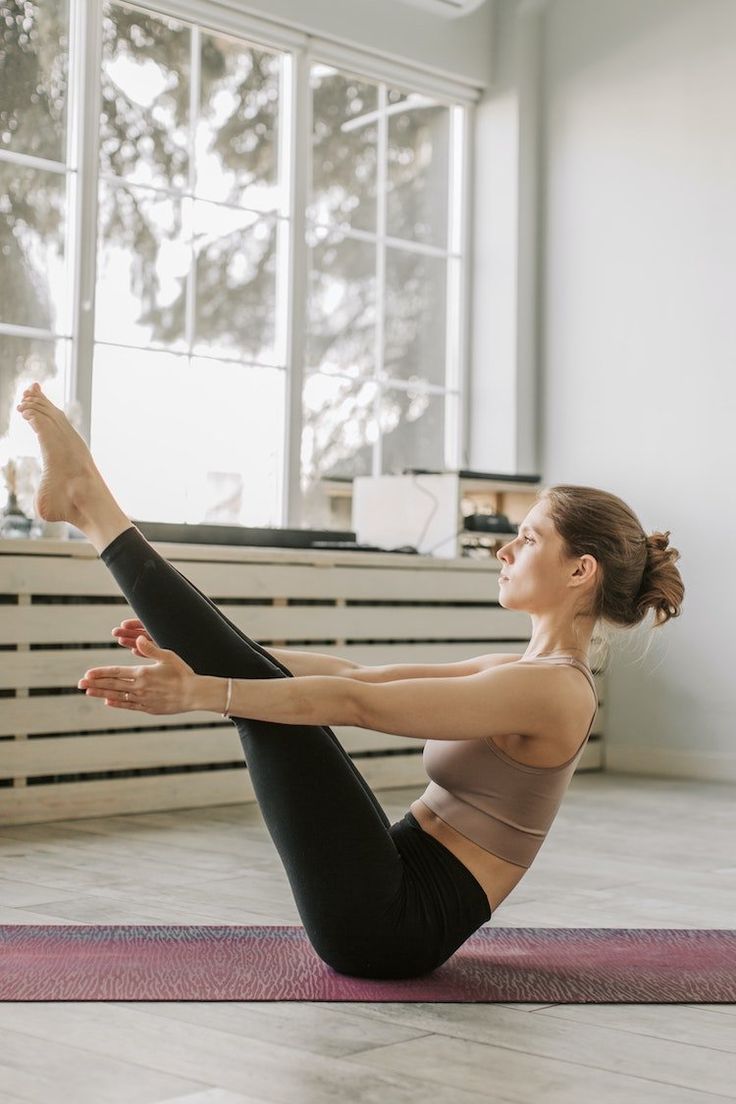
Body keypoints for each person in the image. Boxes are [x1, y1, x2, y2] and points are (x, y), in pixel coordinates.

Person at [15, 382, 685, 980]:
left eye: (530, 540)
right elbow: (359, 673)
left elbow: (359, 704)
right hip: (389, 892)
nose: (504, 551)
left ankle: (91, 507)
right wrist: (207, 658)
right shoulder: (520, 670)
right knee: (265, 689)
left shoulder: (555, 691)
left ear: (580, 572)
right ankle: (86, 504)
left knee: (271, 706)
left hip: (390, 928)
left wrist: (206, 692)